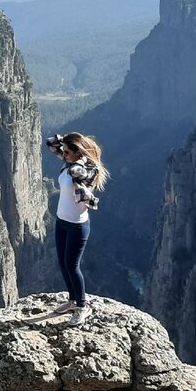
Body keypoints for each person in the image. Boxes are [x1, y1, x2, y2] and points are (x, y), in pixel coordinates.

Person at [46, 131, 110, 325]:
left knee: (73, 266)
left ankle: (83, 306)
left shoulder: (88, 170)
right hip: (61, 221)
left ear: (78, 154)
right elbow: (50, 143)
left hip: (77, 226)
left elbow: (76, 172)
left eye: (67, 152)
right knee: (63, 264)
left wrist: (78, 154)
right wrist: (66, 140)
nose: (63, 155)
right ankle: (72, 300)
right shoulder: (69, 162)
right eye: (63, 152)